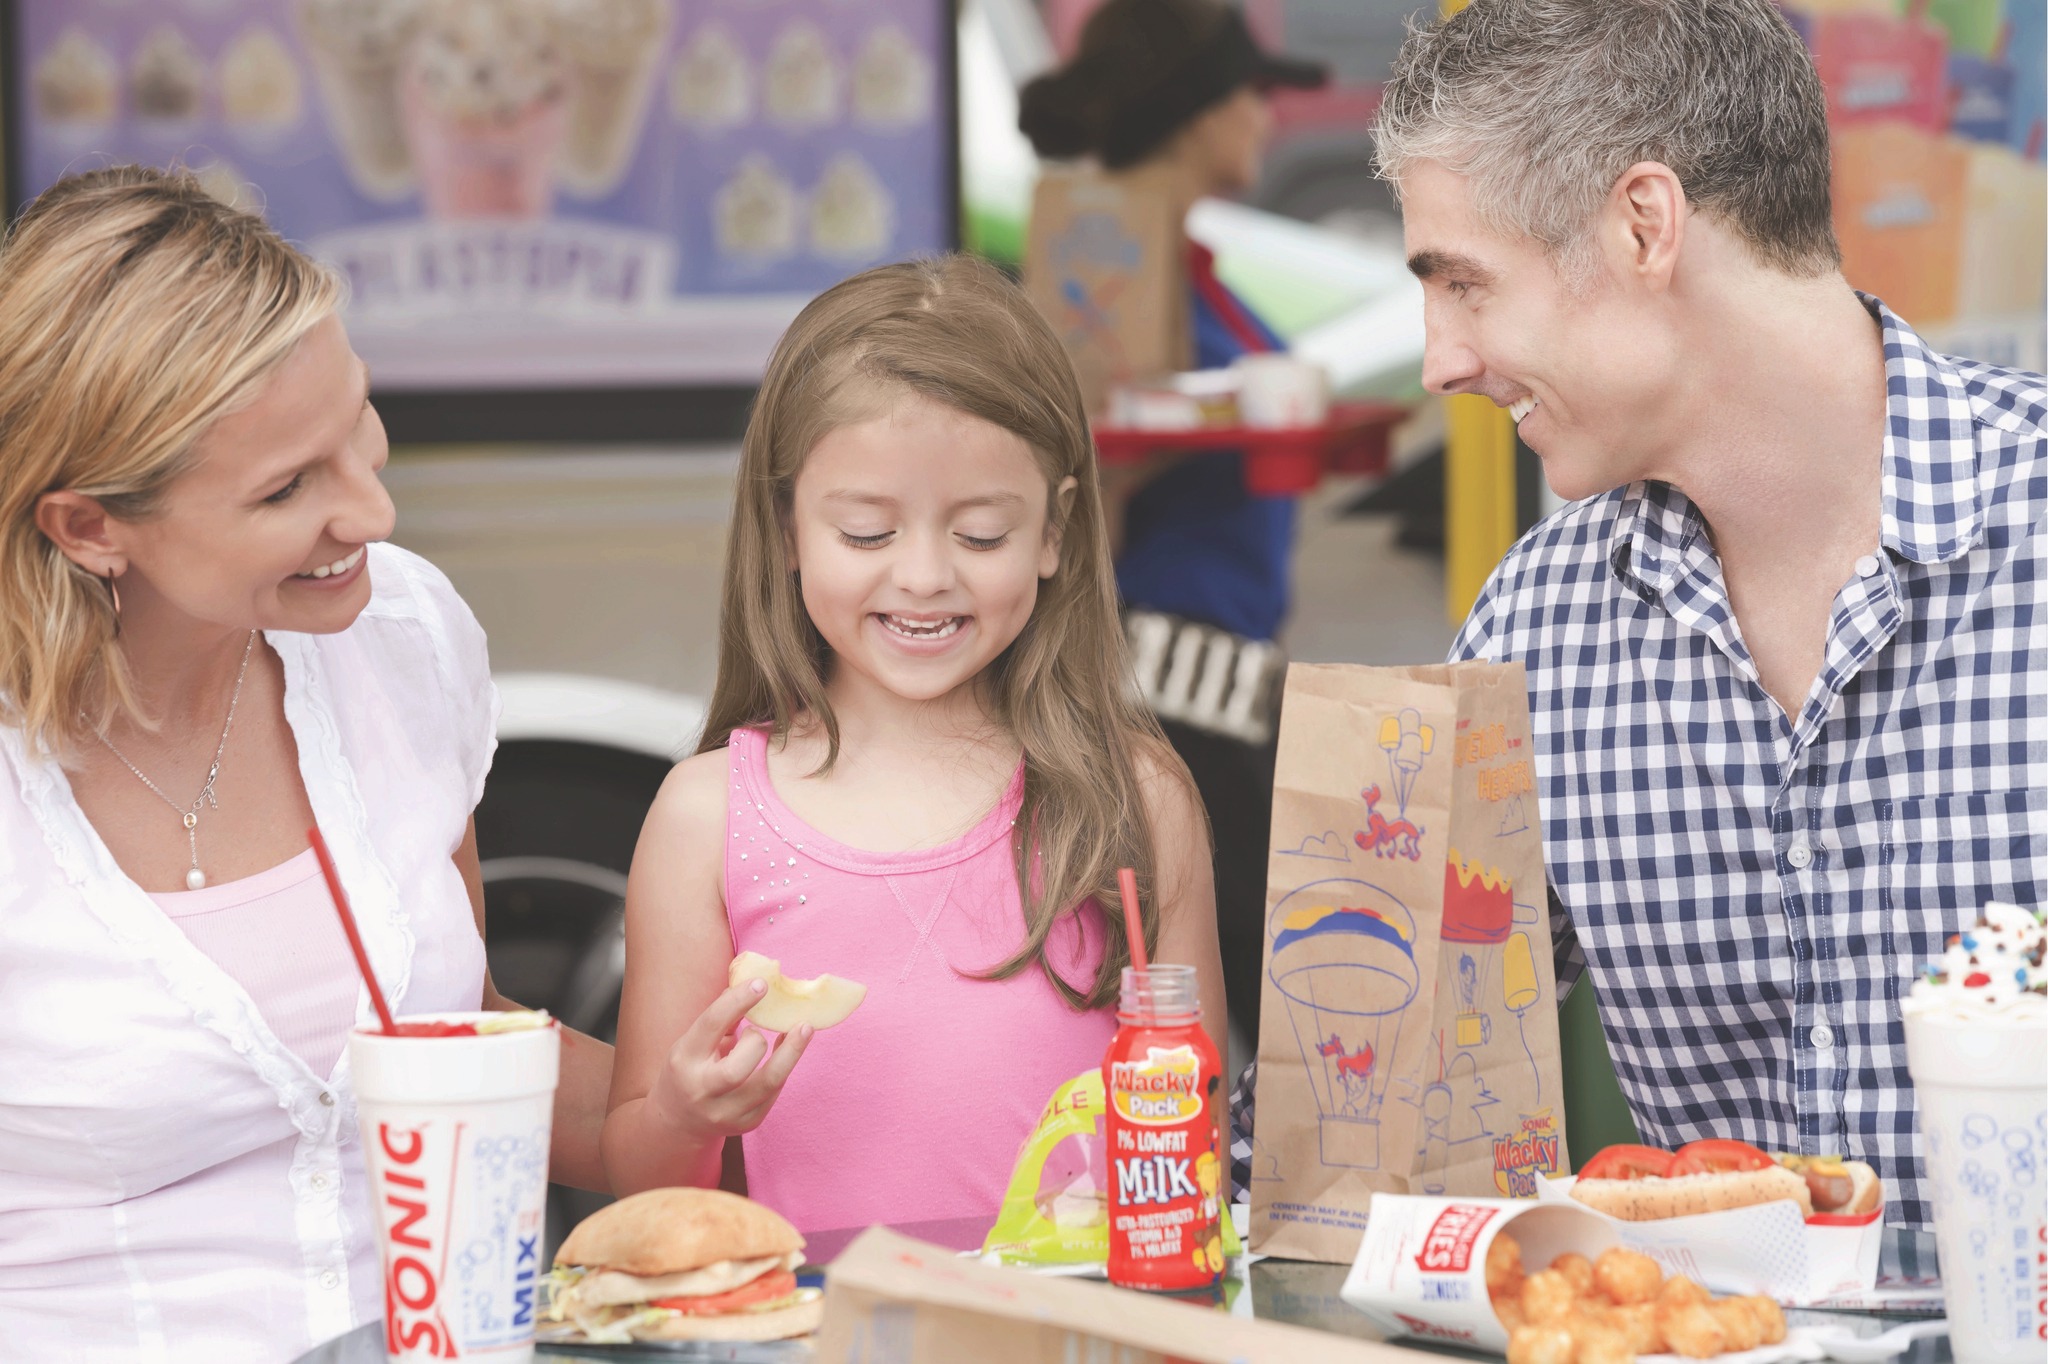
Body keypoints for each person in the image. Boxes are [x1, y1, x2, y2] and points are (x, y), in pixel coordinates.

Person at [1233, 0, 2044, 1222]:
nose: (1440, 361)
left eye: (1464, 282)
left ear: (1642, 225)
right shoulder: (1533, 621)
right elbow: (1360, 1118)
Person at [0, 167, 615, 1360]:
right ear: (89, 527)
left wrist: (681, 1096)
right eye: (287, 487)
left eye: (358, 424)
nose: (371, 514)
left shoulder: (403, 635)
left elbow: (469, 1038)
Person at [601, 255, 1226, 1234]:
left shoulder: (1137, 799)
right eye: (866, 532)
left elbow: (1195, 1147)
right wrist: (683, 1115)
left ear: (1056, 530)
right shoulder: (705, 815)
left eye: (980, 535)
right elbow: (642, 1184)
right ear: (786, 527)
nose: (926, 575)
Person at [1018, 0, 1327, 1046]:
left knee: (1264, 968)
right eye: (1253, 93)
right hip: (1166, 676)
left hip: (1226, 670)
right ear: (1198, 109)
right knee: (1254, 977)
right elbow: (1072, 490)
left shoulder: (1178, 267)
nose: (1267, 118)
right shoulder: (1103, 276)